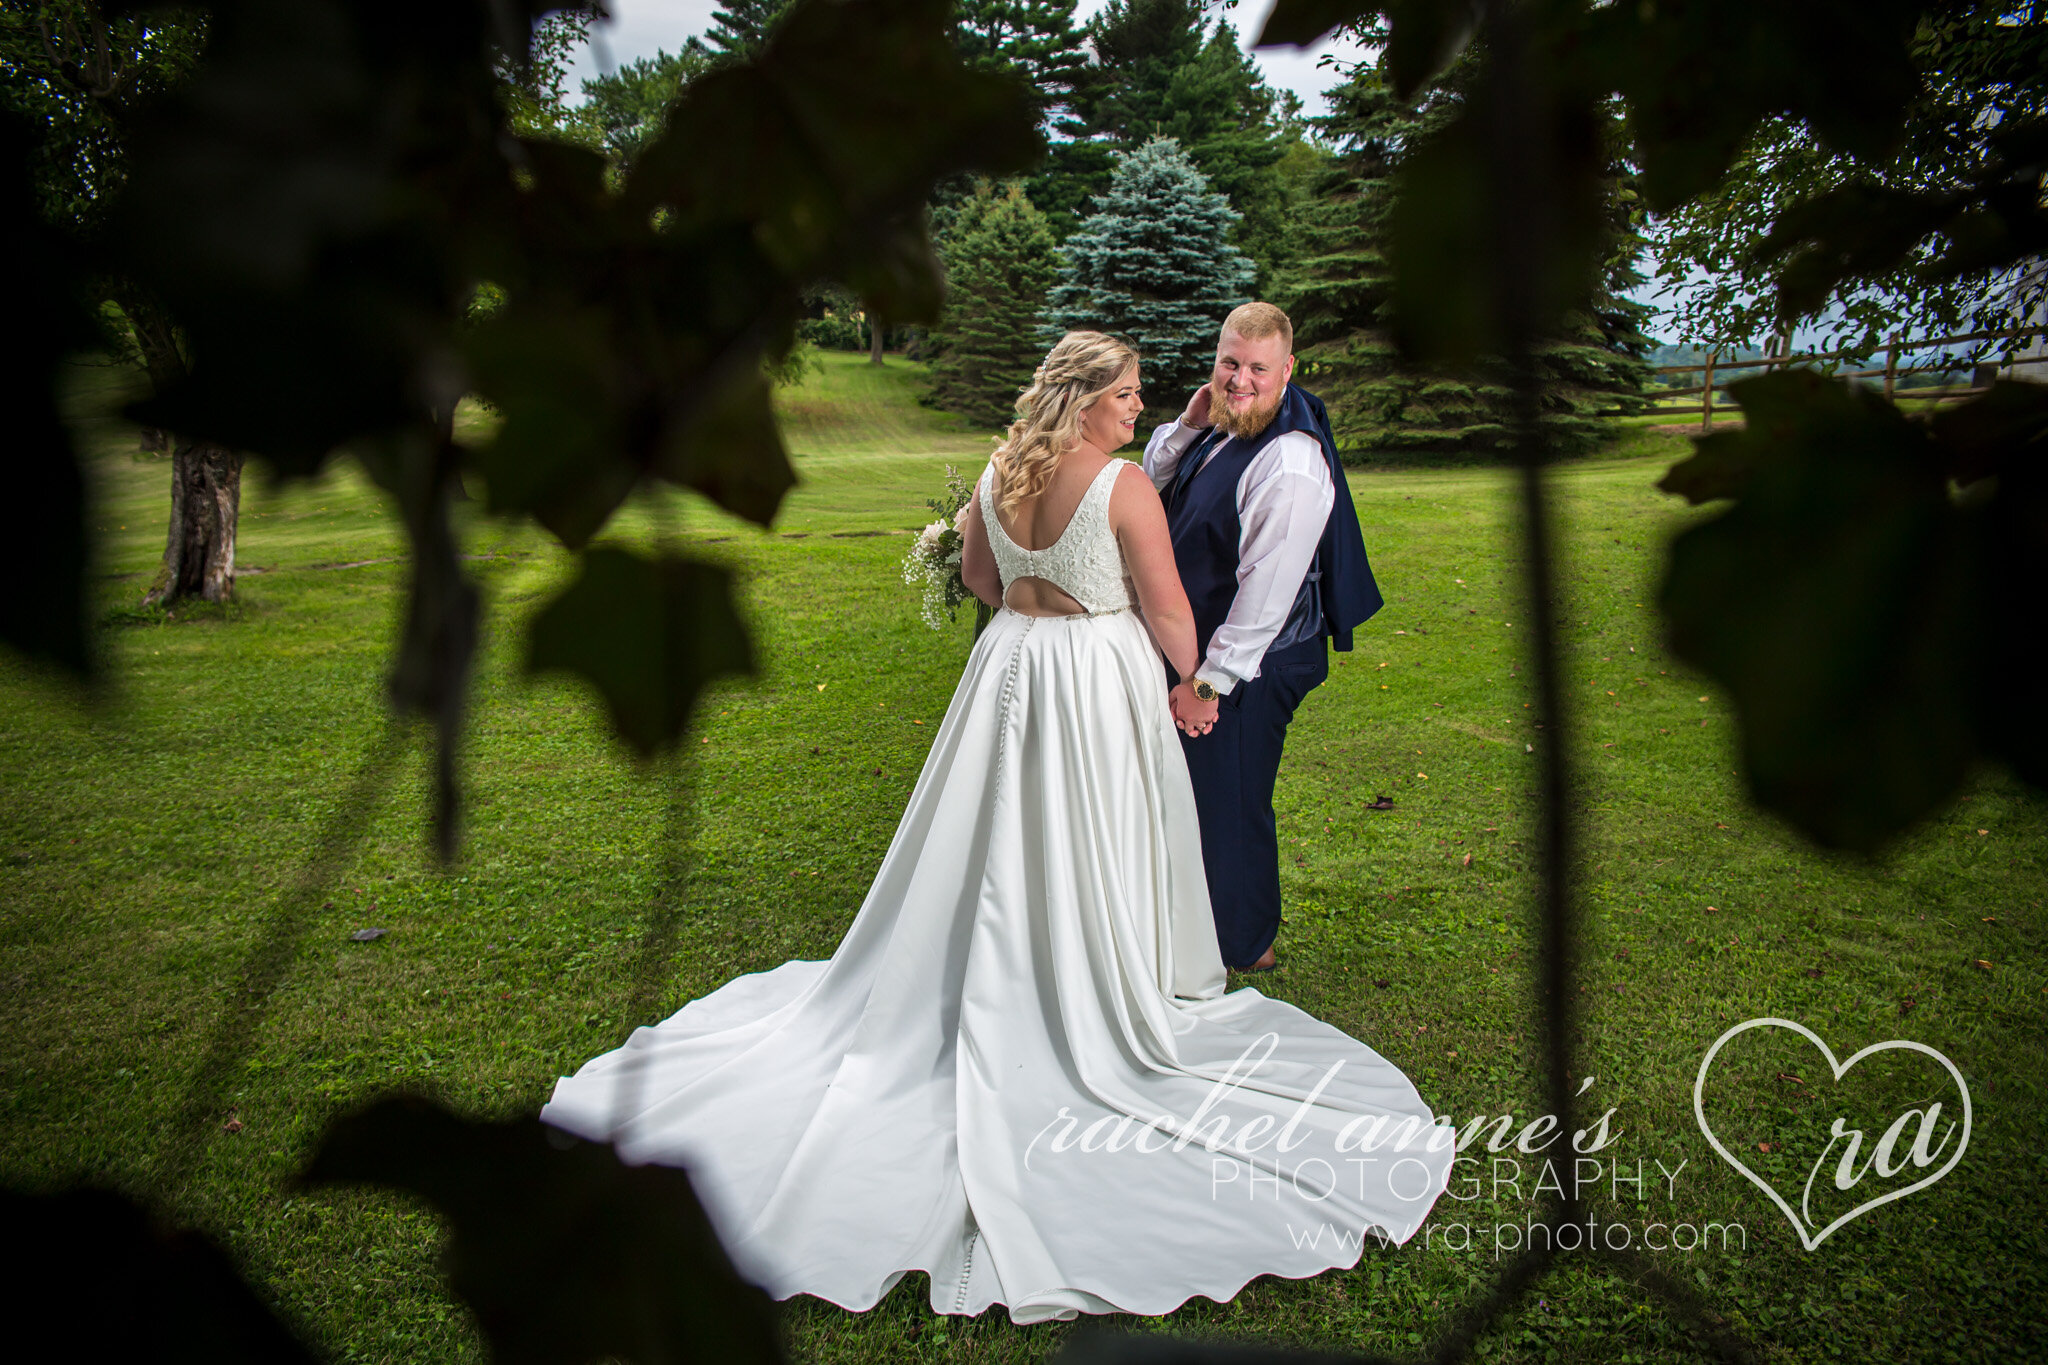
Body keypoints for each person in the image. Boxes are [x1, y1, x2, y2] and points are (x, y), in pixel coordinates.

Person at [541, 332, 1446, 1325]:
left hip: (1009, 667)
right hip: (1094, 679)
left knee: (982, 834)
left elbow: (976, 576)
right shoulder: (1121, 489)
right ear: (1087, 398)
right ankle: (1082, 987)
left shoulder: (998, 467)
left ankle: (982, 976)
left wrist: (1032, 605)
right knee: (1086, 836)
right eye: (1128, 397)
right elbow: (1168, 611)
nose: (1139, 412)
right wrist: (1188, 683)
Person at [1146, 303, 1382, 972]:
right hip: (1219, 649)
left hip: (1257, 661)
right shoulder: (1222, 427)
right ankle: (1201, 922)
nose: (1239, 378)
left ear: (1287, 371)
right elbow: (1156, 478)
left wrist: (1208, 683)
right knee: (1204, 792)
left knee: (1232, 798)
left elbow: (1266, 595)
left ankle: (1245, 944)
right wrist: (1192, 421)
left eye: (1256, 367)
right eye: (1229, 362)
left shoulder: (1291, 463)